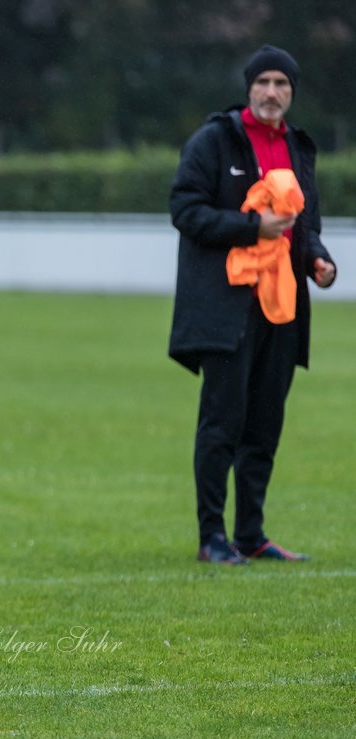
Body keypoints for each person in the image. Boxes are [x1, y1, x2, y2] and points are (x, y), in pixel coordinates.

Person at [169, 44, 337, 564]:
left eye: (282, 84)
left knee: (264, 425)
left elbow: (303, 225)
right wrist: (250, 228)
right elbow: (184, 209)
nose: (272, 92)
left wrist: (318, 259)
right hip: (227, 308)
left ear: (292, 92)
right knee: (222, 424)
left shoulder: (299, 147)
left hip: (282, 308)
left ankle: (251, 536)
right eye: (263, 82)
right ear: (249, 88)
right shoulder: (215, 141)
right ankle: (211, 537)